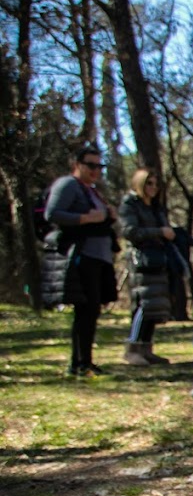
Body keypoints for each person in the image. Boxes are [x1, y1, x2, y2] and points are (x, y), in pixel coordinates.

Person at [45, 145, 119, 377]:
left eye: (99, 166)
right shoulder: (68, 185)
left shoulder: (92, 190)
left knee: (91, 310)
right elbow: (52, 213)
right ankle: (79, 363)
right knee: (85, 310)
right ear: (76, 165)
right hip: (81, 257)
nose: (96, 170)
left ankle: (84, 361)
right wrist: (85, 218)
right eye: (91, 165)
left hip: (98, 257)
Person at [118, 168, 176, 366]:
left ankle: (147, 349)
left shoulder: (155, 207)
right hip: (141, 260)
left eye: (155, 184)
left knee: (155, 305)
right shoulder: (130, 204)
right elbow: (130, 231)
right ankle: (132, 349)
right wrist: (159, 232)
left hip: (159, 258)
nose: (153, 188)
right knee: (143, 304)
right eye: (149, 183)